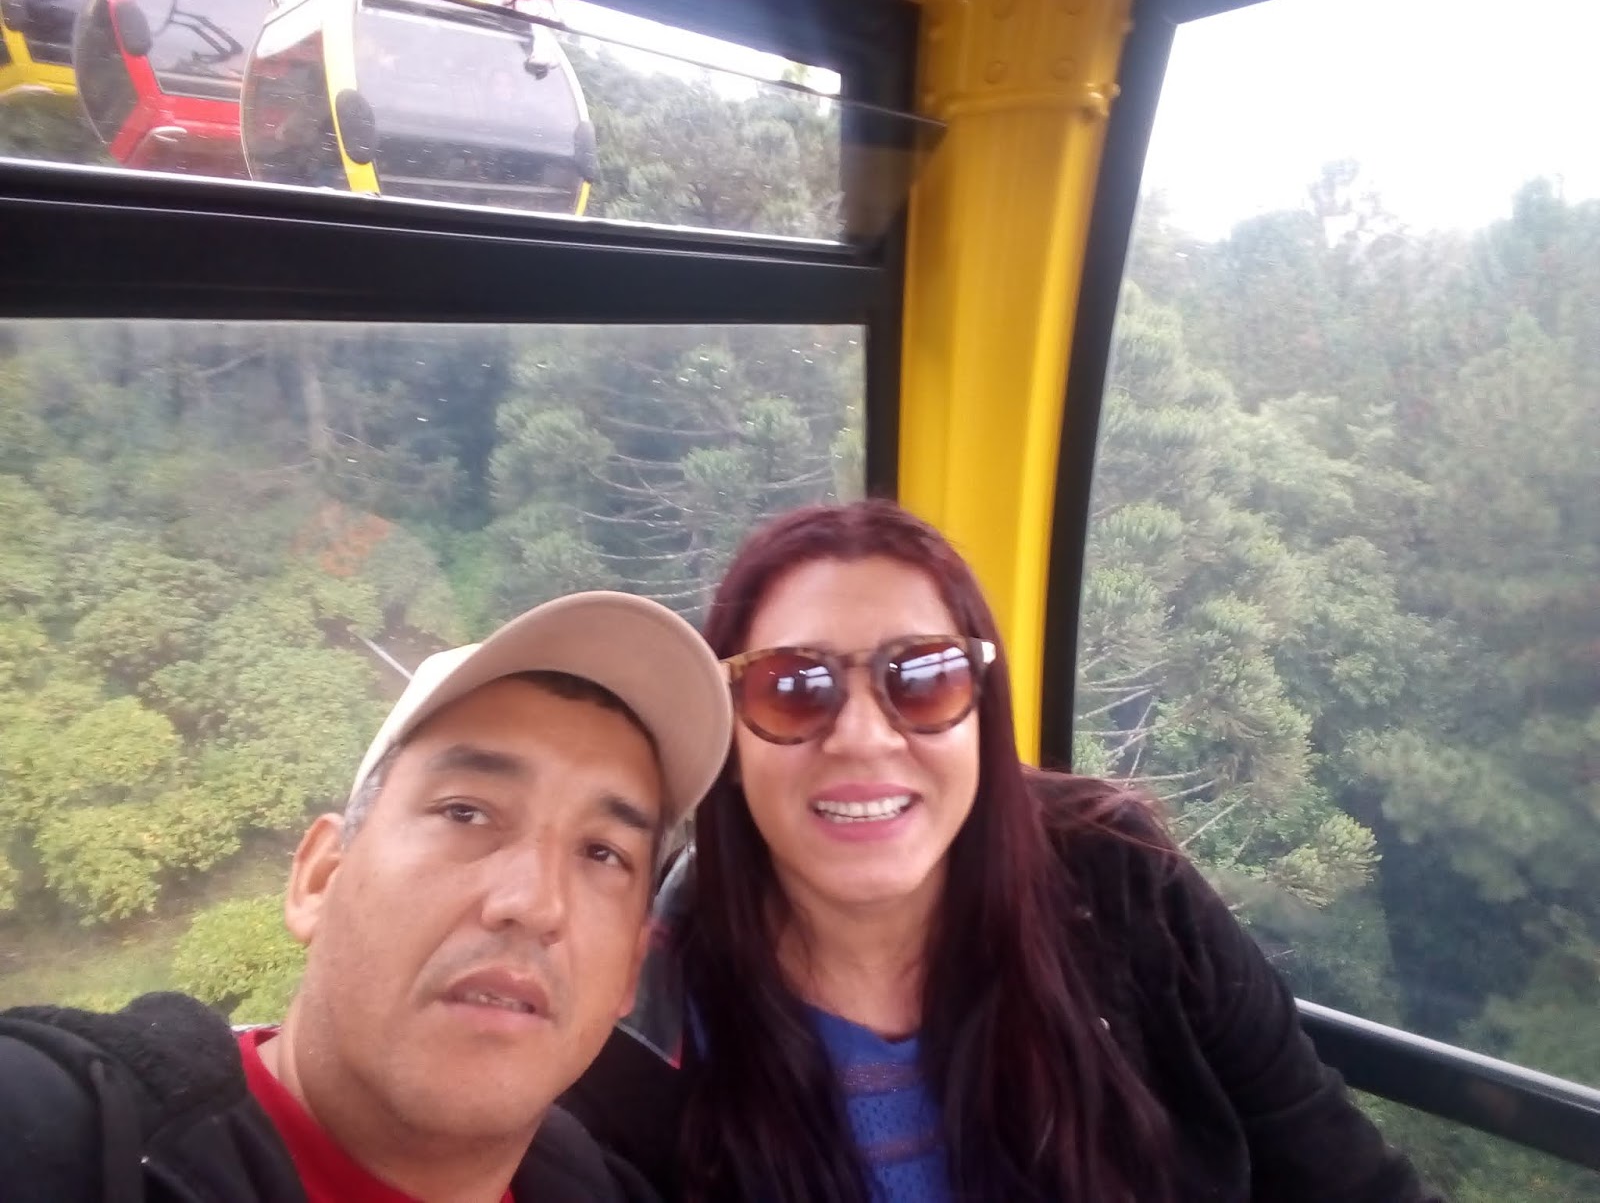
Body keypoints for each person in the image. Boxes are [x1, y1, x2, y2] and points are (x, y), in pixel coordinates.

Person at [564, 500, 1443, 1203]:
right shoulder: (646, 1015)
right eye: (792, 688)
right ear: (731, 738)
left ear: (983, 715)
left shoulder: (1117, 881)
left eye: (923, 679)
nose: (864, 736)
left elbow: (1344, 1174)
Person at [0, 590, 733, 1203]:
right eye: (465, 812)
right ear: (319, 878)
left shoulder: (614, 1185)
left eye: (603, 852)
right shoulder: (67, 1135)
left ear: (630, 971)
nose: (534, 902)